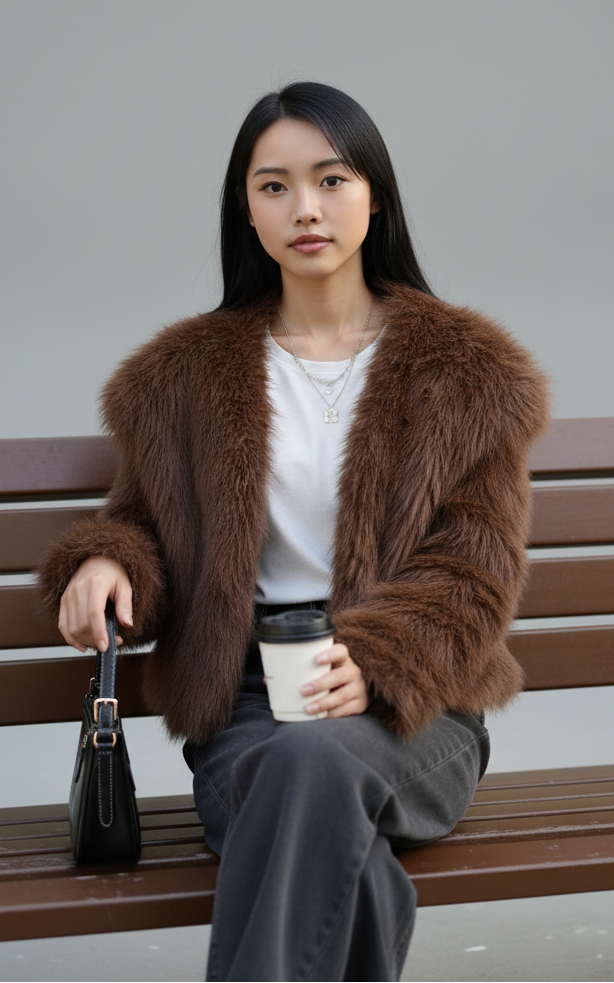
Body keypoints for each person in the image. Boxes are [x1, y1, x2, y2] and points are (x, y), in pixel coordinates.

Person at [39, 81, 549, 982]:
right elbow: (141, 532)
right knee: (325, 817)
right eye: (273, 186)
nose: (304, 208)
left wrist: (380, 657)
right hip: (242, 706)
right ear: (245, 209)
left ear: (375, 195)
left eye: (331, 179)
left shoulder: (466, 372)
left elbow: (476, 570)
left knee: (310, 767)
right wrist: (103, 564)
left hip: (414, 706)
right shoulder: (182, 376)